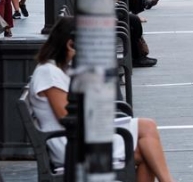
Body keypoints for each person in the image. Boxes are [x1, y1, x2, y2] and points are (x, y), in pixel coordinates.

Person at [28, 17, 175, 181]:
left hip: (83, 137)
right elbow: (66, 117)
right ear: (70, 44)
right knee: (147, 141)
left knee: (148, 138)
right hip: (72, 146)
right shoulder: (49, 72)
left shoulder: (58, 68)